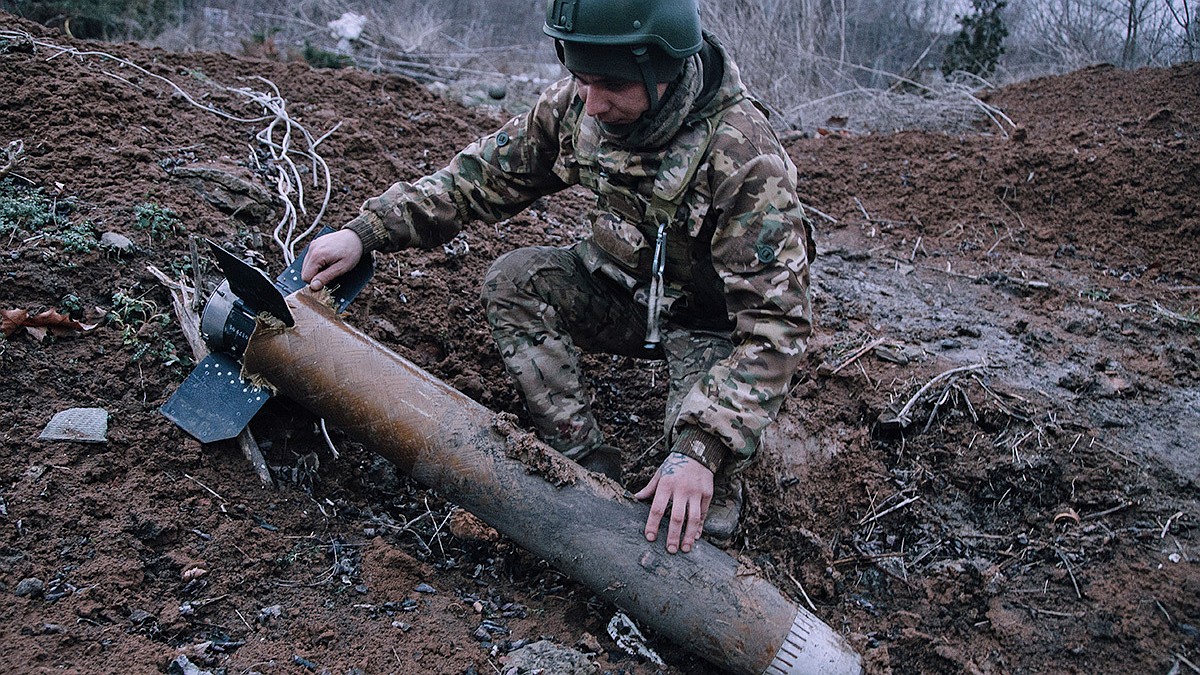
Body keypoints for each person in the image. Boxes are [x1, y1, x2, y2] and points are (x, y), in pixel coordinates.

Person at [302, 0, 815, 556]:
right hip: (620, 293)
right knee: (514, 281)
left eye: (610, 85)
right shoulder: (579, 106)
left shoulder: (744, 157)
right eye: (581, 78)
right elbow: (483, 175)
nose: (591, 102)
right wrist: (367, 231)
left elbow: (774, 326)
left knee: (698, 506)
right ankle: (582, 470)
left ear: (660, 72)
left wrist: (702, 447)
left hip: (705, 325)